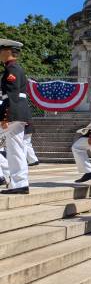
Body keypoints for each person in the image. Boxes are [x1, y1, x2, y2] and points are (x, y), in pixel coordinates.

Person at [0, 38, 31, 195]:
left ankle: (18, 182)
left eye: (1, 50)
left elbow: (11, 95)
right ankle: (19, 182)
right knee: (15, 149)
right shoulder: (15, 68)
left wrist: (5, 117)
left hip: (13, 112)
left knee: (15, 150)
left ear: (8, 51)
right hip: (18, 112)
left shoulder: (12, 70)